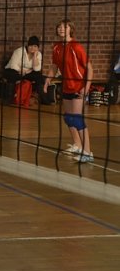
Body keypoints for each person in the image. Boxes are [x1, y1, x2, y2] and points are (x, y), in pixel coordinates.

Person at [43, 19, 94, 164]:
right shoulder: (57, 47)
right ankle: (77, 145)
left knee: (77, 119)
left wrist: (87, 87)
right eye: (59, 27)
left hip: (78, 86)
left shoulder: (76, 46)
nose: (61, 29)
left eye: (64, 27)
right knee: (68, 118)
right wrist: (48, 79)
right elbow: (54, 66)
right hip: (66, 86)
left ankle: (88, 152)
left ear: (71, 29)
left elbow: (89, 68)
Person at [2, 35, 44, 104]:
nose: (32, 48)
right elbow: (13, 65)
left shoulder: (38, 54)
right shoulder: (19, 51)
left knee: (39, 76)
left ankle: (44, 99)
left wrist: (35, 56)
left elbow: (36, 69)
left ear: (38, 47)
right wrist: (21, 70)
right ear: (27, 45)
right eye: (30, 46)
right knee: (12, 75)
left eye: (35, 46)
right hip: (14, 70)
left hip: (26, 73)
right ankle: (8, 99)